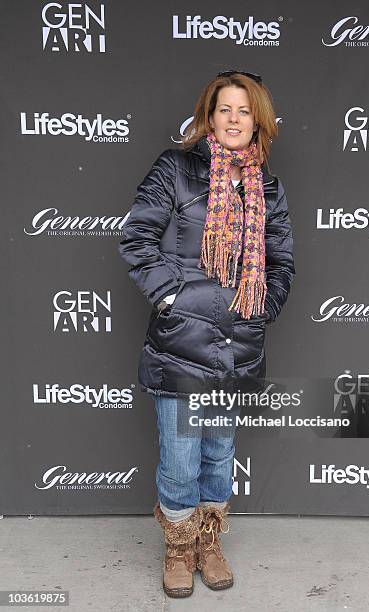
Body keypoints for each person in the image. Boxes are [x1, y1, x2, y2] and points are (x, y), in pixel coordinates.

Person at [118, 69, 296, 597]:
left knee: (219, 453)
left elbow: (280, 258)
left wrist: (263, 306)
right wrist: (174, 298)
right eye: (225, 109)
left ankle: (208, 542)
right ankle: (178, 548)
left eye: (245, 110)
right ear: (209, 117)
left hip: (238, 347)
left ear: (258, 119)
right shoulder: (176, 168)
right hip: (181, 346)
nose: (235, 119)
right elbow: (136, 237)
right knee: (179, 460)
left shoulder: (267, 185)